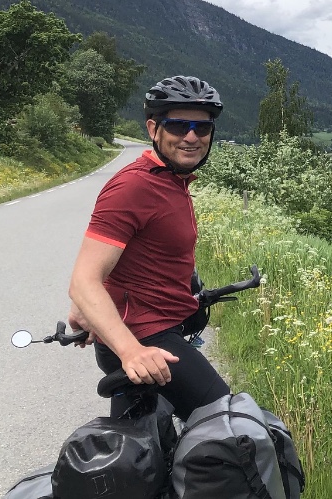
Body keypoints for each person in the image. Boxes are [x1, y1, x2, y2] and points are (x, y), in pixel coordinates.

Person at [67, 75, 227, 421]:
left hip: (155, 332)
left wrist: (87, 309)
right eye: (178, 125)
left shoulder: (171, 181)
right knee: (231, 428)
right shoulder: (134, 187)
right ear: (154, 129)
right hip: (144, 339)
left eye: (201, 129)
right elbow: (83, 280)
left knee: (150, 453)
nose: (191, 137)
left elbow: (123, 262)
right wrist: (131, 351)